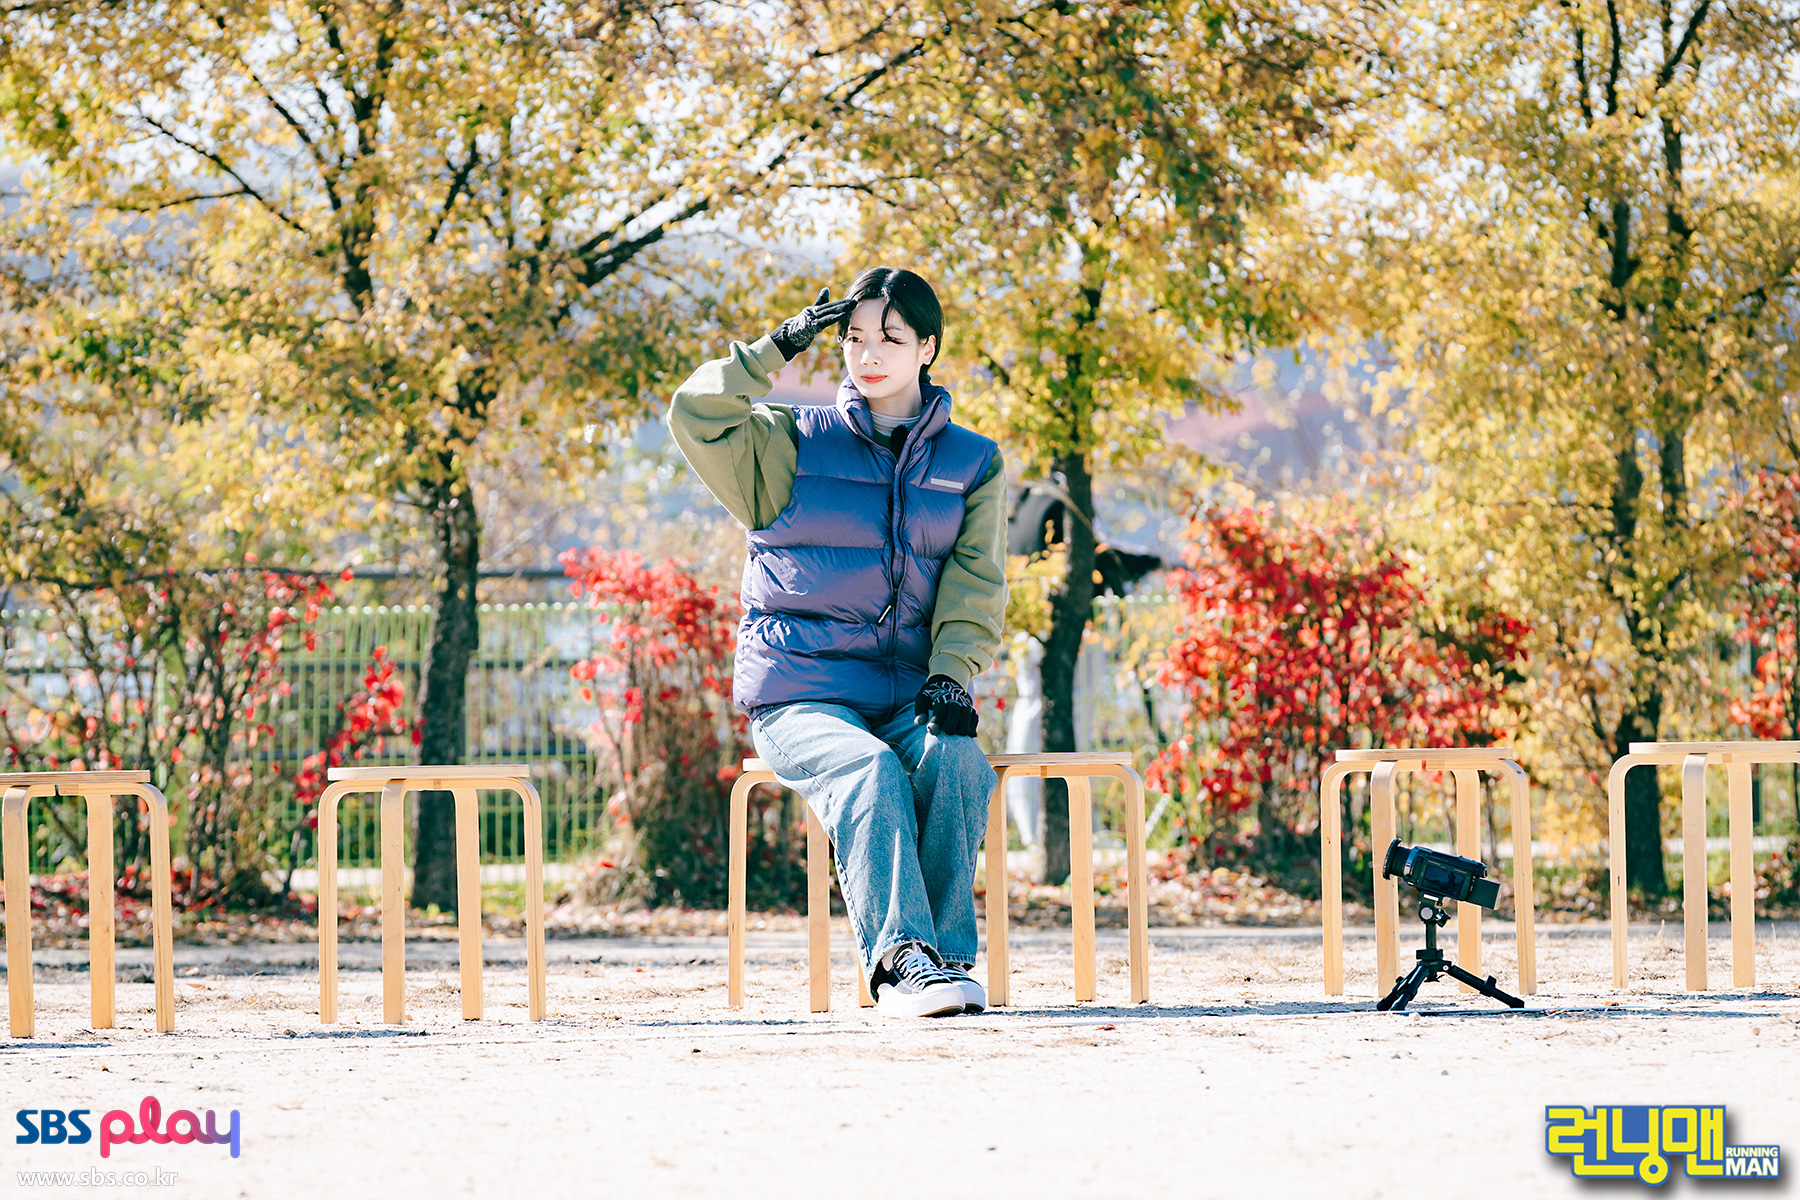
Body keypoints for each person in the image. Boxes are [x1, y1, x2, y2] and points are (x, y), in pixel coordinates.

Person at [667, 267, 1007, 1017]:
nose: (868, 354)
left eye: (891, 338)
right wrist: (775, 347)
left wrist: (951, 674)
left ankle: (945, 962)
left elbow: (976, 583)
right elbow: (694, 412)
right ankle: (902, 963)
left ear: (928, 347)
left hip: (909, 696)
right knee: (869, 768)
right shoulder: (788, 442)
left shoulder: (972, 463)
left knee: (956, 761)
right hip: (803, 697)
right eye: (853, 338)